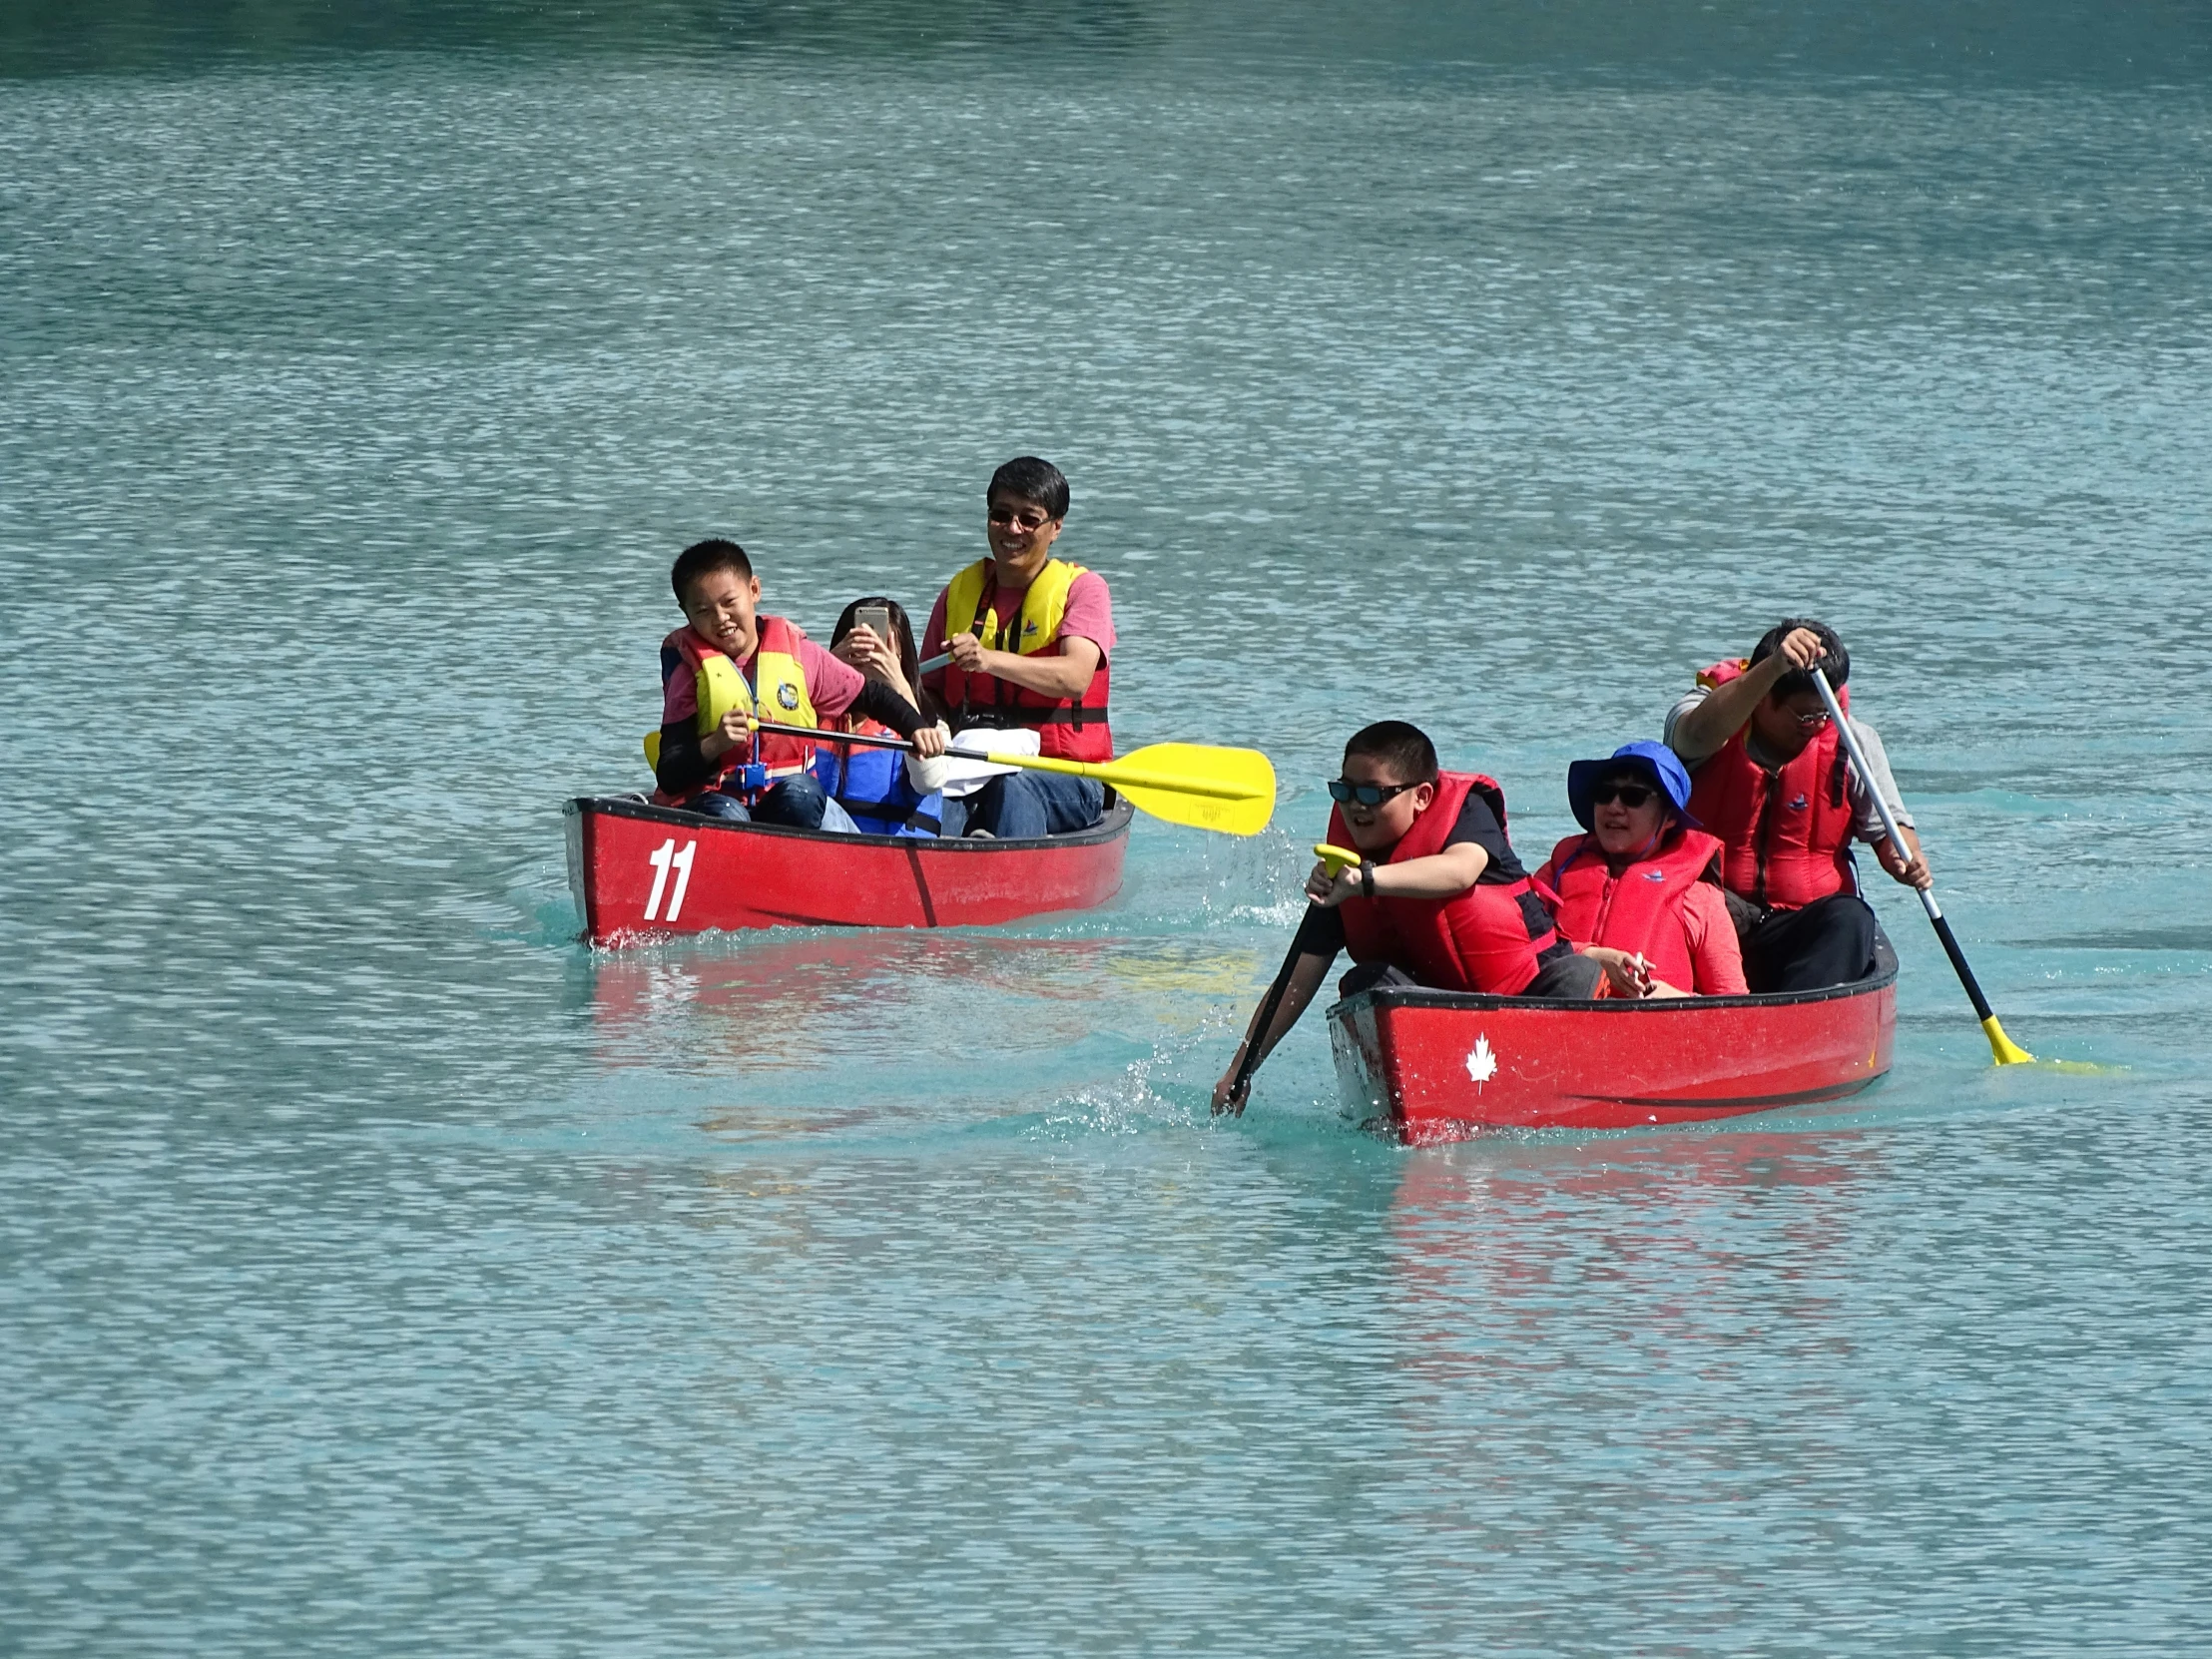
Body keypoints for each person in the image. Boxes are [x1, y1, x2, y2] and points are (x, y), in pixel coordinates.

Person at [1212, 722, 1600, 1113]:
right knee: (1370, 982)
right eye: (1344, 791)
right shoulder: (1343, 871)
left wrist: (1365, 880)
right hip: (1437, 1020)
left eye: (1371, 794)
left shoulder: (1466, 812)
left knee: (1579, 973)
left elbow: (1461, 870)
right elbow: (1295, 981)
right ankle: (1414, 1110)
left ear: (1421, 797)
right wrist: (1241, 1070)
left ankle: (1548, 1099)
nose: (1355, 806)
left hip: (1526, 998)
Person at [1666, 619, 1930, 992]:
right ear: (1763, 699)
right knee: (1666, 906)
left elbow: (1890, 829)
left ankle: (1800, 1020)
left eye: (1824, 712)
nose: (1817, 725)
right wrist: (1774, 666)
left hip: (1801, 927)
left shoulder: (1854, 741)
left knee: (1852, 918)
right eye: (1805, 716)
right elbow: (1693, 736)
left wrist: (1905, 860)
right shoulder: (1703, 713)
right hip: (1713, 917)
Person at [649, 539, 946, 827]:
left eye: (729, 602)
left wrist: (916, 727)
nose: (721, 618)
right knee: (728, 815)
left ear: (754, 590)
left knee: (803, 793)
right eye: (703, 611)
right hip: (720, 802)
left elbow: (872, 696)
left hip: (785, 804)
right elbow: (670, 774)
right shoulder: (687, 669)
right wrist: (715, 744)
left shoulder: (801, 655)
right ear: (685, 612)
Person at [920, 456, 1113, 838]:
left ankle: (1006, 883)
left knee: (1013, 786)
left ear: (1055, 527)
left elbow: (1074, 678)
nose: (1013, 528)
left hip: (1065, 774)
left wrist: (988, 660)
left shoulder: (1084, 591)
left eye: (1029, 519)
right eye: (1001, 514)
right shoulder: (958, 594)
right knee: (929, 793)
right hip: (971, 765)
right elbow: (929, 691)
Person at [1535, 741, 1748, 998]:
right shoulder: (1557, 872)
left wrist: (1676, 999)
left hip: (1655, 1029)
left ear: (1669, 817)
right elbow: (1517, 948)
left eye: (1633, 797)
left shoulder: (1701, 900)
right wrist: (1594, 958)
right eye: (1604, 794)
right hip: (1561, 1021)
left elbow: (1735, 1009)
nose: (1613, 807)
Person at [814, 597, 954, 837]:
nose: (873, 660)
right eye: (861, 647)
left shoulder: (934, 725)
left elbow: (929, 781)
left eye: (884, 651)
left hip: (891, 856)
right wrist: (826, 666)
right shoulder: (810, 714)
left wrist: (899, 686)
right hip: (824, 849)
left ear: (902, 658)